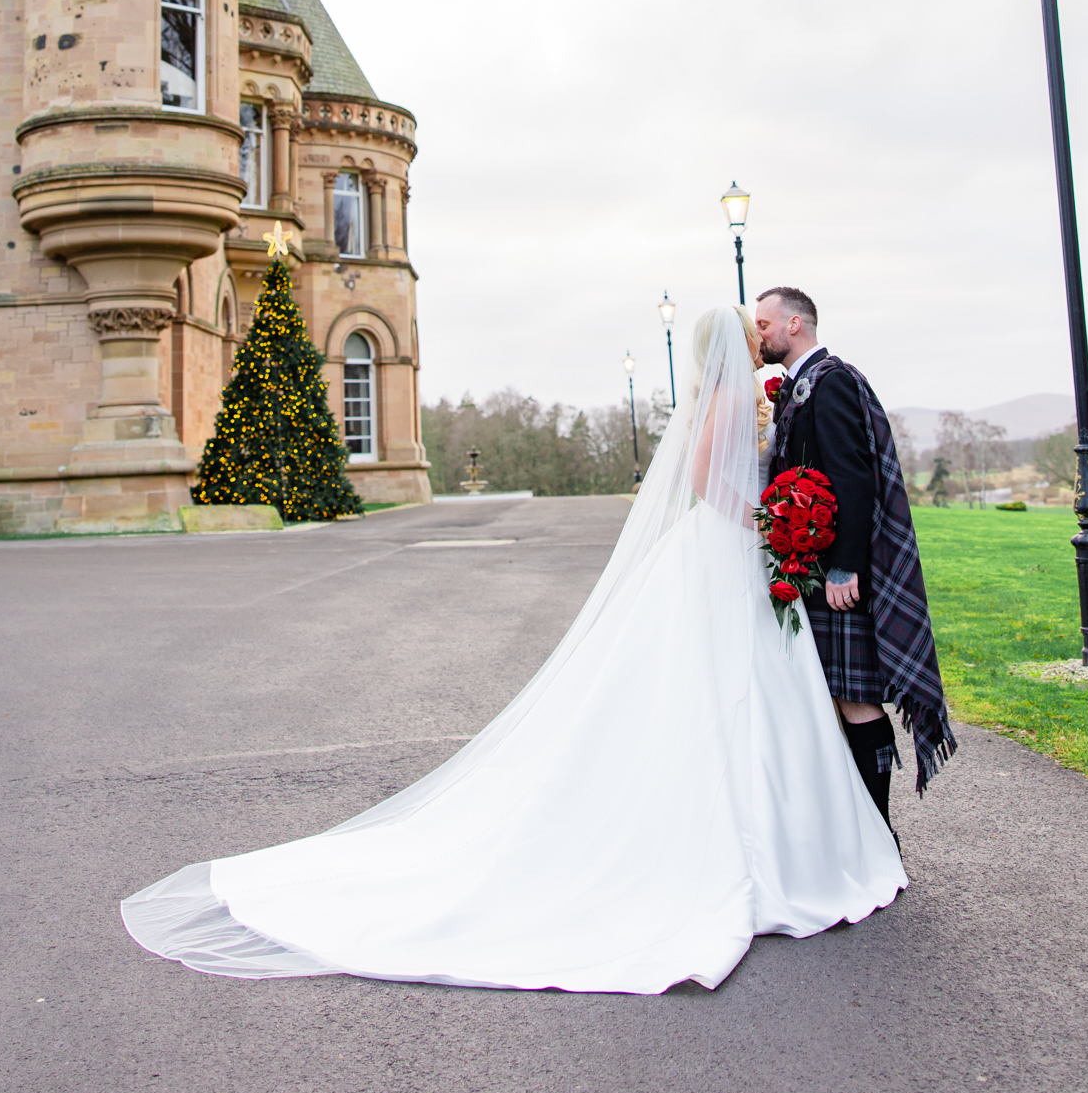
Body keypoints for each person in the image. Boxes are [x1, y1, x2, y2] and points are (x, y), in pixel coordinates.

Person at [122, 308, 905, 995]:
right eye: (750, 329)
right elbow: (706, 479)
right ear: (736, 343)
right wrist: (766, 525)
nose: (759, 337)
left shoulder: (730, 394)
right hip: (729, 549)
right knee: (727, 685)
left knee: (720, 686)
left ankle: (759, 827)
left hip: (726, 556)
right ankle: (769, 840)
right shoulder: (734, 396)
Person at [754, 286, 955, 825]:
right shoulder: (801, 386)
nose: (760, 333)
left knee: (853, 697)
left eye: (766, 323)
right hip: (811, 565)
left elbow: (853, 479)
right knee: (836, 697)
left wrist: (846, 565)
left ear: (796, 324)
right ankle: (862, 831)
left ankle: (879, 831)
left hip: (836, 570)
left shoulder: (832, 381)